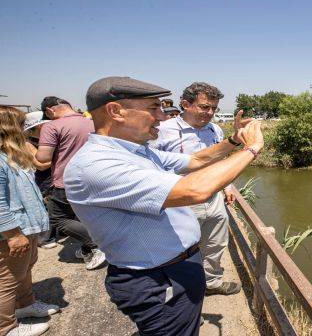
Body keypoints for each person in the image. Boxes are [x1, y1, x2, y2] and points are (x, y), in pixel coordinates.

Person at [63, 76, 263, 336]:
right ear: (116, 111)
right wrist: (252, 149)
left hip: (176, 266)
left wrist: (235, 141)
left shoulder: (135, 151)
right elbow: (195, 190)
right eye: (152, 109)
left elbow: (195, 160)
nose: (161, 115)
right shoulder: (96, 165)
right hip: (156, 279)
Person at [151, 82, 240, 295]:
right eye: (204, 107)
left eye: (213, 108)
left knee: (216, 243)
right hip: (181, 201)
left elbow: (220, 161)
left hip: (213, 198)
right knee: (182, 251)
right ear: (185, 104)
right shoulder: (163, 131)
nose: (209, 113)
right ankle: (184, 298)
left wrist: (227, 186)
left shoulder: (215, 129)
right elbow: (150, 166)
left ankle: (212, 282)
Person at [0, 106, 60, 336]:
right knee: (6, 281)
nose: (26, 129)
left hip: (25, 227)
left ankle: (25, 305)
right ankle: (6, 328)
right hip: (12, 231)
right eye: (21, 124)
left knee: (23, 270)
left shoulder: (11, 154)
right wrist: (13, 234)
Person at [35, 97, 106, 270]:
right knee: (85, 216)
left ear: (50, 111)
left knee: (58, 219)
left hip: (67, 180)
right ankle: (88, 247)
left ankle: (97, 244)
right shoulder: (92, 122)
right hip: (97, 177)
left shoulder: (51, 126)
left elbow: (43, 157)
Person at [22, 112, 56, 249]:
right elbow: (40, 166)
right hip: (44, 180)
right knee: (49, 207)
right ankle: (45, 238)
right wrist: (60, 159)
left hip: (53, 177)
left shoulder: (47, 140)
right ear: (37, 127)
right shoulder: (28, 144)